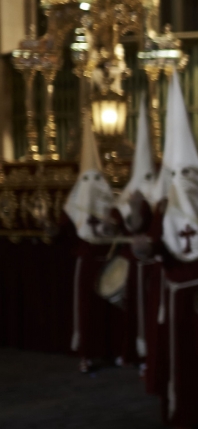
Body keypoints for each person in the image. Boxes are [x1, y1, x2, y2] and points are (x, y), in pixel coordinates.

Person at [137, 74, 198, 429]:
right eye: (177, 173)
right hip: (176, 296)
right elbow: (154, 245)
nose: (183, 180)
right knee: (183, 360)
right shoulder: (163, 208)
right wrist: (145, 249)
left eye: (189, 172)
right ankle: (184, 413)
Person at [63, 118, 124, 374]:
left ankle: (116, 351)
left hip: (108, 260)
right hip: (87, 261)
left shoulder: (112, 205)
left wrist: (112, 226)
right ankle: (86, 353)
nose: (92, 183)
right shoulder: (73, 206)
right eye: (86, 178)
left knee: (111, 311)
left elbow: (120, 229)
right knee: (87, 311)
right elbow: (64, 234)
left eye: (96, 177)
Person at [115, 95, 159, 374]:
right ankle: (134, 352)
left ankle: (151, 356)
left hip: (157, 269)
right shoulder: (131, 194)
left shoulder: (163, 194)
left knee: (154, 315)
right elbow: (126, 226)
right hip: (136, 266)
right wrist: (132, 210)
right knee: (135, 312)